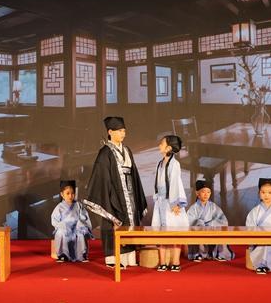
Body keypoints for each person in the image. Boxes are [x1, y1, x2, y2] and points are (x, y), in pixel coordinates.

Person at [84, 116, 147, 268]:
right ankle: (113, 258)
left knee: (130, 221)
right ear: (110, 132)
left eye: (124, 131)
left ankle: (129, 257)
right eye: (119, 131)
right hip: (113, 193)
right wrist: (111, 196)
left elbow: (134, 174)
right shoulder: (105, 153)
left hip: (130, 192)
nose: (123, 134)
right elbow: (102, 178)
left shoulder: (127, 150)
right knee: (113, 222)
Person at [151, 135, 189, 272]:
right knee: (160, 231)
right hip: (161, 201)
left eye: (162, 144)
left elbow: (175, 183)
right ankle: (162, 262)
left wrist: (175, 203)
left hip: (171, 202)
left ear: (168, 148)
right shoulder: (160, 163)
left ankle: (176, 261)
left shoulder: (175, 164)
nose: (159, 146)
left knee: (175, 231)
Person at [186, 180, 235, 262]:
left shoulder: (213, 206)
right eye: (203, 192)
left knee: (221, 230)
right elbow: (190, 221)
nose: (206, 194)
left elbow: (223, 220)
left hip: (212, 230)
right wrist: (201, 224)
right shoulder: (193, 208)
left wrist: (211, 224)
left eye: (208, 192)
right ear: (197, 193)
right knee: (194, 231)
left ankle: (219, 253)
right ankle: (197, 254)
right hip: (200, 231)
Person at [51, 180, 93, 262]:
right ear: (62, 194)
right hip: (65, 228)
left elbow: (84, 217)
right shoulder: (59, 207)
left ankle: (82, 255)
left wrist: (80, 224)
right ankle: (63, 255)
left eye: (72, 193)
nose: (70, 196)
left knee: (81, 231)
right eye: (67, 193)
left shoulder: (78, 205)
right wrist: (63, 226)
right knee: (60, 232)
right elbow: (55, 221)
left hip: (77, 227)